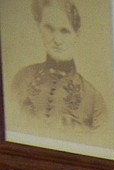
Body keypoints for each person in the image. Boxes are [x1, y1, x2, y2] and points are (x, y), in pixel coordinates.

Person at [10, 0, 106, 133]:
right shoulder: (21, 79)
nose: (57, 40)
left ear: (76, 34)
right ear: (39, 27)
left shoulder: (93, 99)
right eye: (49, 28)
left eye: (65, 31)